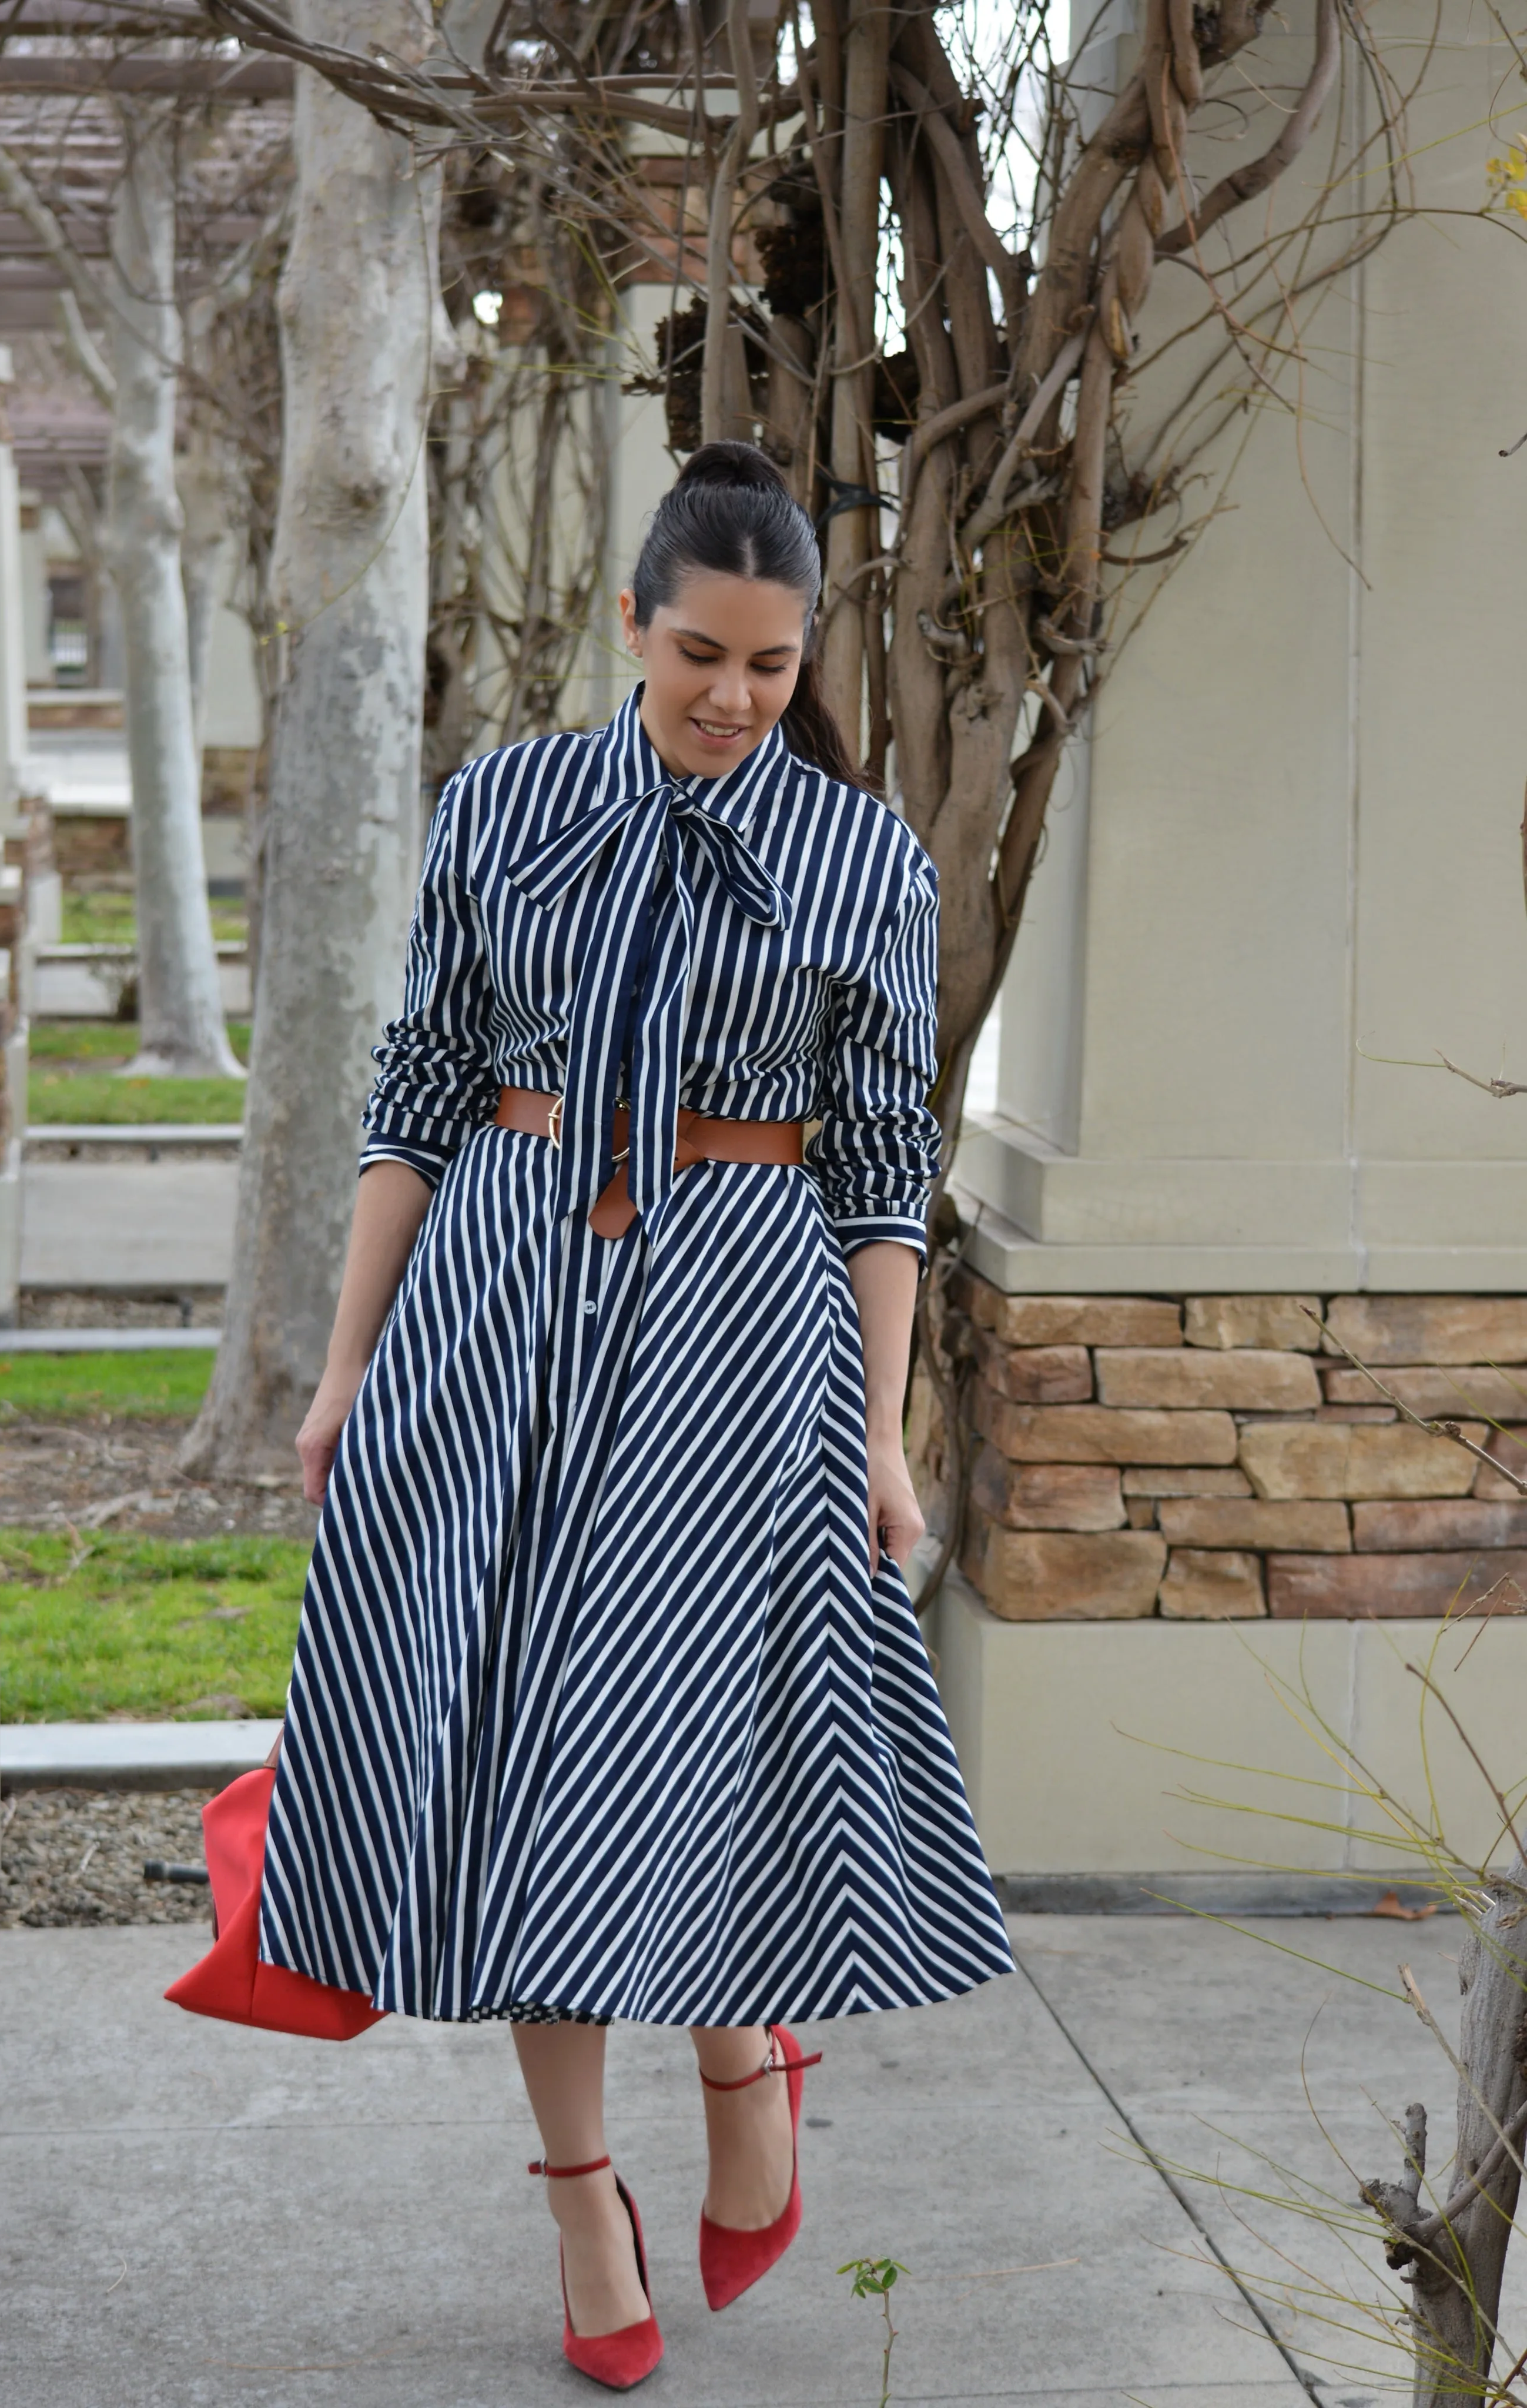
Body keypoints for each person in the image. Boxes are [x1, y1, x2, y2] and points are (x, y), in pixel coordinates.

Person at [262, 442, 1012, 2390]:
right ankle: (583, 2189)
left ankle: (743, 2046)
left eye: (770, 666)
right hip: (500, 1321)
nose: (733, 699)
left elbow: (875, 1175)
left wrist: (878, 1432)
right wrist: (350, 1367)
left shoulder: (864, 860)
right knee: (531, 1777)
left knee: (708, 1741)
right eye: (700, 655)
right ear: (631, 622)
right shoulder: (498, 813)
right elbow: (414, 1095)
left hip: (742, 1328)